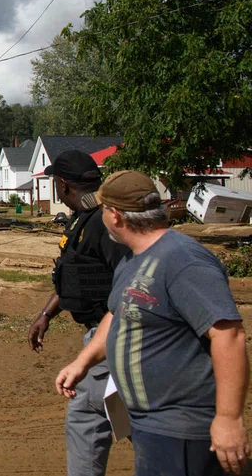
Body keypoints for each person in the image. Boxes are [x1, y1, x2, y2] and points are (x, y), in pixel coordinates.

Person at [56, 171, 249, 476]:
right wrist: (83, 362)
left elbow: (229, 336)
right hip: (149, 425)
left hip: (184, 430)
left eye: (103, 209)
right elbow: (119, 313)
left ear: (116, 216)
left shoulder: (183, 260)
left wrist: (228, 418)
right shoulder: (133, 259)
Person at [27, 150, 131, 476]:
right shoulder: (83, 219)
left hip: (114, 339)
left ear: (61, 185)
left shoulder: (105, 223)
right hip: (100, 339)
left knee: (120, 416)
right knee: (93, 413)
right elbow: (75, 276)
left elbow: (132, 283)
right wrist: (46, 314)